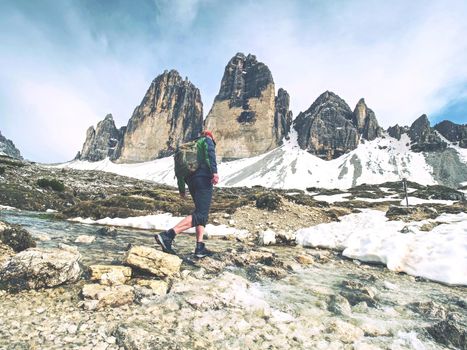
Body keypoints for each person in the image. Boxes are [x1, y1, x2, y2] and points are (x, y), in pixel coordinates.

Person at [155, 130, 219, 258]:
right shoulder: (206, 140)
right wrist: (214, 172)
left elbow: (179, 169)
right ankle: (168, 235)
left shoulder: (188, 147)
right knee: (201, 214)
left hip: (190, 180)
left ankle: (199, 247)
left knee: (201, 212)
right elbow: (210, 154)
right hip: (203, 178)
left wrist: (182, 189)